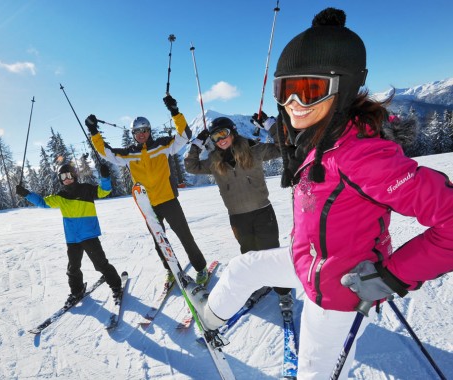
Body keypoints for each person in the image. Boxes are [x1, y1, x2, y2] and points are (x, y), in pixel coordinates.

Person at [186, 8, 453, 379]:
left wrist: (392, 275)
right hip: (308, 262)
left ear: (341, 88)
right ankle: (211, 317)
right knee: (242, 267)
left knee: (313, 371)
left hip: (338, 290)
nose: (293, 104)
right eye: (285, 90)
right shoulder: (316, 137)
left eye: (309, 90)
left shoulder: (362, 155)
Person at [85, 95, 209, 285]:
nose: (141, 134)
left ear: (149, 131)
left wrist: (175, 111)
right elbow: (105, 152)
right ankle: (171, 270)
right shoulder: (128, 154)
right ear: (133, 134)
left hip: (169, 200)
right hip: (148, 206)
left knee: (185, 236)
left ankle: (200, 268)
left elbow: (184, 134)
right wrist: (94, 131)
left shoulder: (163, 145)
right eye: (137, 131)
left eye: (144, 130)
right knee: (160, 241)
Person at [184, 115, 294, 316]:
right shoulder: (214, 162)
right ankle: (259, 284)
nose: (220, 140)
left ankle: (283, 291)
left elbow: (283, 147)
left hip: (262, 211)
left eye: (223, 134)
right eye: (215, 137)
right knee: (249, 254)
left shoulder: (254, 150)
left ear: (232, 132)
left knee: (271, 253)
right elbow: (190, 166)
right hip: (237, 217)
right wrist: (196, 145)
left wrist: (271, 126)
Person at [15, 163, 123, 307]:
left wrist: (104, 177)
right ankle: (77, 291)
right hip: (72, 238)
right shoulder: (61, 196)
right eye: (62, 176)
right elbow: (42, 203)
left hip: (89, 235)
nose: (66, 179)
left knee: (100, 264)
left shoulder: (86, 189)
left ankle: (116, 286)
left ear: (74, 175)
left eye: (68, 175)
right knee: (73, 268)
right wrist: (27, 194)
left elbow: (104, 191)